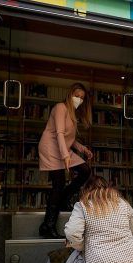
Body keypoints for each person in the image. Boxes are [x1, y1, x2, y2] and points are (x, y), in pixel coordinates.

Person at [38, 82, 94, 238]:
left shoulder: (72, 114)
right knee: (58, 183)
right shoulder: (60, 108)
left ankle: (64, 198)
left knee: (85, 170)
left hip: (63, 148)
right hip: (51, 147)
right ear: (70, 95)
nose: (79, 99)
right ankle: (47, 226)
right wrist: (65, 155)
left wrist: (82, 149)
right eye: (77, 96)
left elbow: (70, 138)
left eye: (82, 98)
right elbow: (59, 134)